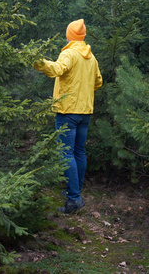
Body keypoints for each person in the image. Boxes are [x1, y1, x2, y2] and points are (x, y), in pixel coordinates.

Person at [33, 19, 102, 214]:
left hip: (68, 111)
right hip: (85, 112)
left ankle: (74, 200)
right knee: (79, 152)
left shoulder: (69, 53)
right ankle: (75, 191)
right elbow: (98, 82)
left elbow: (56, 69)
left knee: (66, 154)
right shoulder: (91, 57)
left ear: (69, 35)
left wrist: (36, 60)